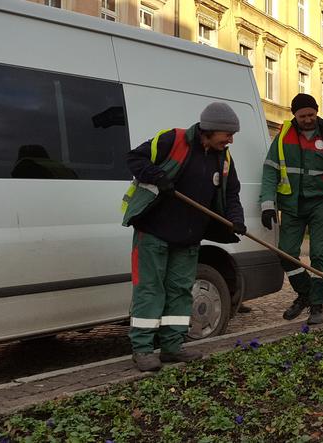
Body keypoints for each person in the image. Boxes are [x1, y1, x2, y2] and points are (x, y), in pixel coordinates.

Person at [122, 102, 246, 372]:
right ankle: (142, 350)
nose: (231, 140)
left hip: (189, 237)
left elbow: (231, 193)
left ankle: (172, 346)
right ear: (211, 130)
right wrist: (158, 177)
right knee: (150, 289)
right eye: (227, 134)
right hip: (153, 231)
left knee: (180, 291)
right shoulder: (173, 139)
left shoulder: (223, 158)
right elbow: (134, 159)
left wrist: (236, 220)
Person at [260, 93, 323, 325]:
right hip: (292, 205)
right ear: (294, 115)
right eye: (303, 115)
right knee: (285, 253)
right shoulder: (283, 137)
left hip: (320, 204)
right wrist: (267, 205)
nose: (308, 119)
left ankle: (317, 305)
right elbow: (270, 171)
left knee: (318, 255)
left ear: (317, 112)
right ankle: (305, 293)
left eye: (311, 114)